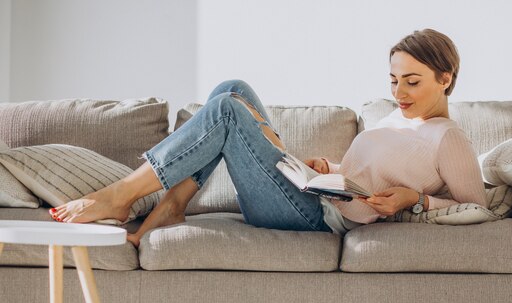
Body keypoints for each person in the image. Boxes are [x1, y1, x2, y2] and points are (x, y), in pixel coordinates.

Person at [49, 28, 487, 246]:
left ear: (445, 79)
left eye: (412, 81)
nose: (399, 93)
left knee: (224, 110)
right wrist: (329, 169)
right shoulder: (396, 118)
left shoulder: (448, 138)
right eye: (393, 81)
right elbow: (365, 173)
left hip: (319, 218)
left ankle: (121, 195)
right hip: (316, 193)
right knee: (231, 89)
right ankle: (172, 206)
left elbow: (478, 208)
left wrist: (416, 199)